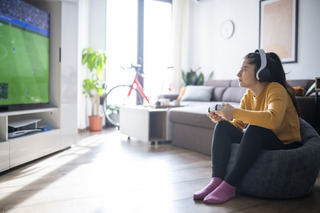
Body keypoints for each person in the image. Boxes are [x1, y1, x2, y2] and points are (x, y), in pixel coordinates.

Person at [193, 49, 301, 204]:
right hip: (263, 140)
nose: (238, 74)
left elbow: (272, 120)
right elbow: (238, 125)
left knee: (254, 128)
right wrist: (224, 118)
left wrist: (235, 112)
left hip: (286, 146)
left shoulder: (276, 89)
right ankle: (216, 180)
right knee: (223, 127)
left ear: (260, 73)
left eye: (244, 69)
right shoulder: (249, 95)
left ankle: (230, 185)